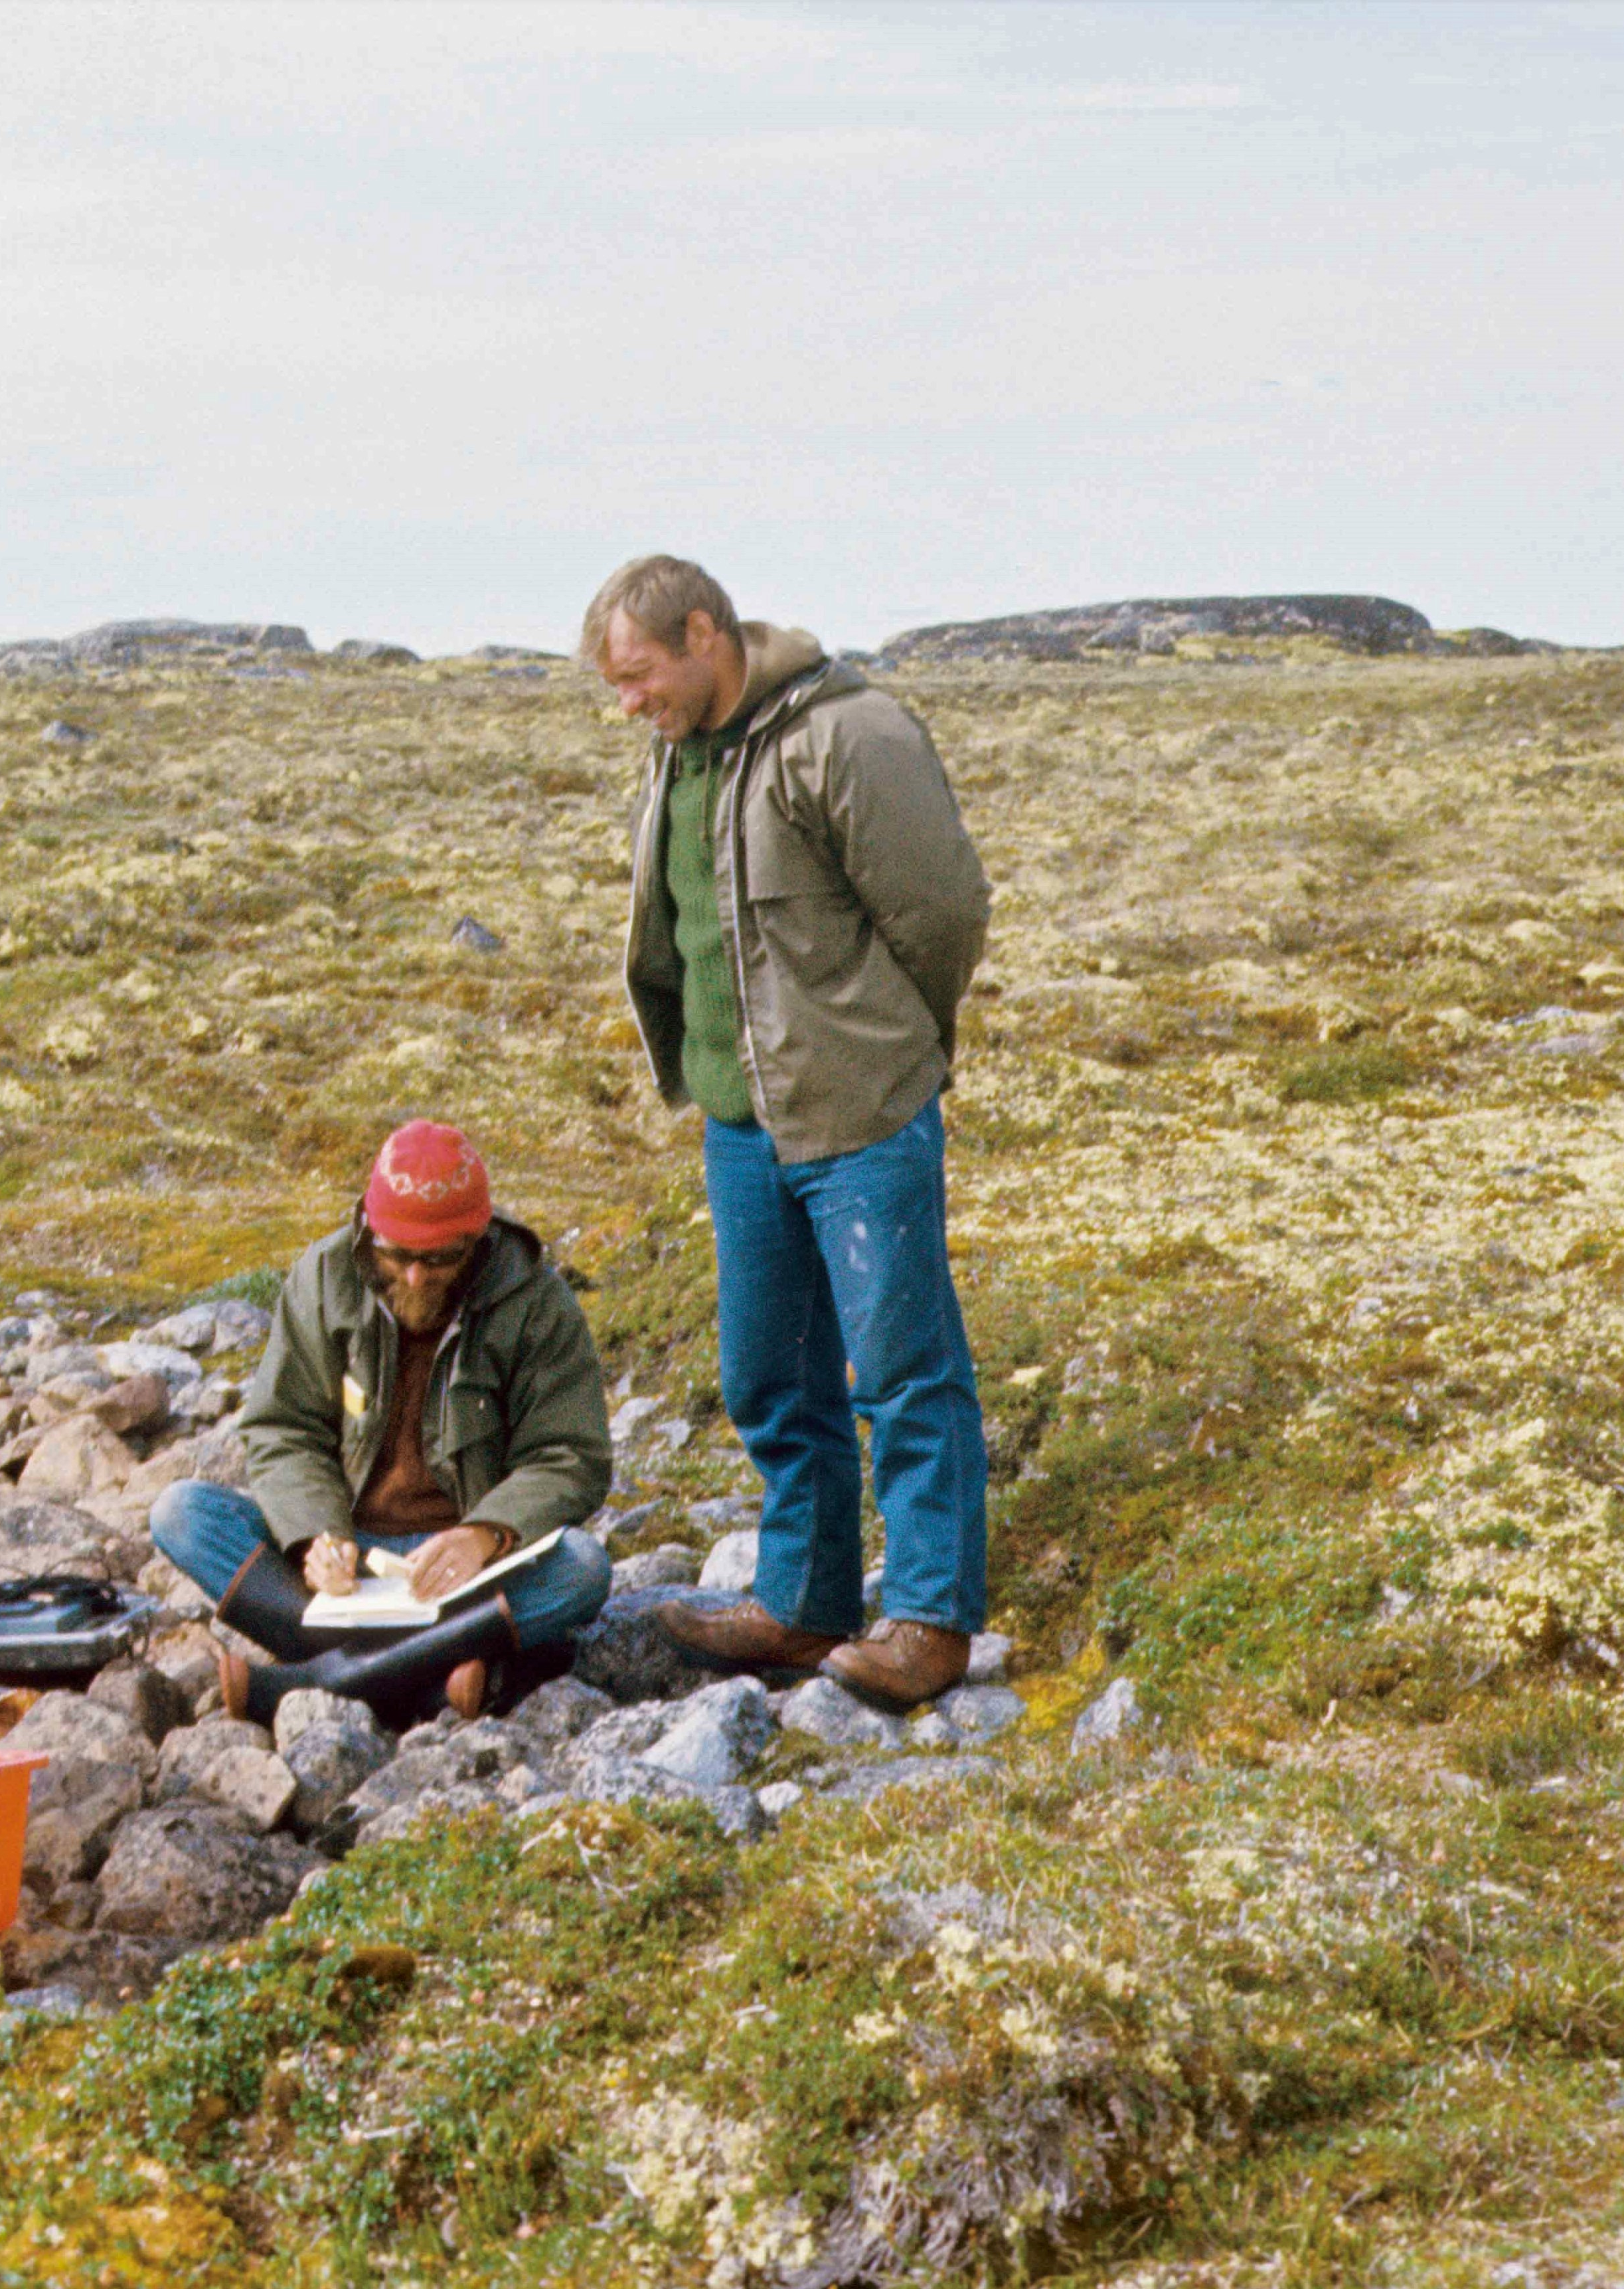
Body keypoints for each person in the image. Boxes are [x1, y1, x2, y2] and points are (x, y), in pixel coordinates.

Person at [585, 553, 994, 1711]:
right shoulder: (679, 755)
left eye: (635, 675)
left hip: (858, 1107)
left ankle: (927, 1617)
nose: (626, 704)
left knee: (903, 1367)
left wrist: (891, 1046)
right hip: (739, 1124)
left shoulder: (847, 734)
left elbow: (941, 910)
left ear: (702, 632)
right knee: (768, 1371)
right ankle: (803, 1597)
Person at [150, 1120, 614, 1727]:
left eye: (440, 1258)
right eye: (397, 1255)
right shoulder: (323, 1278)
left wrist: (486, 1534)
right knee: (180, 1512)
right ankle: (432, 1681)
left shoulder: (536, 1303)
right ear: (369, 1230)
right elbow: (284, 1430)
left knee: (583, 1567)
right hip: (346, 1565)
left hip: (459, 1575)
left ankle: (324, 1679)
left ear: (477, 1238)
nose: (416, 1276)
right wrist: (316, 1534)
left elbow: (571, 1455)